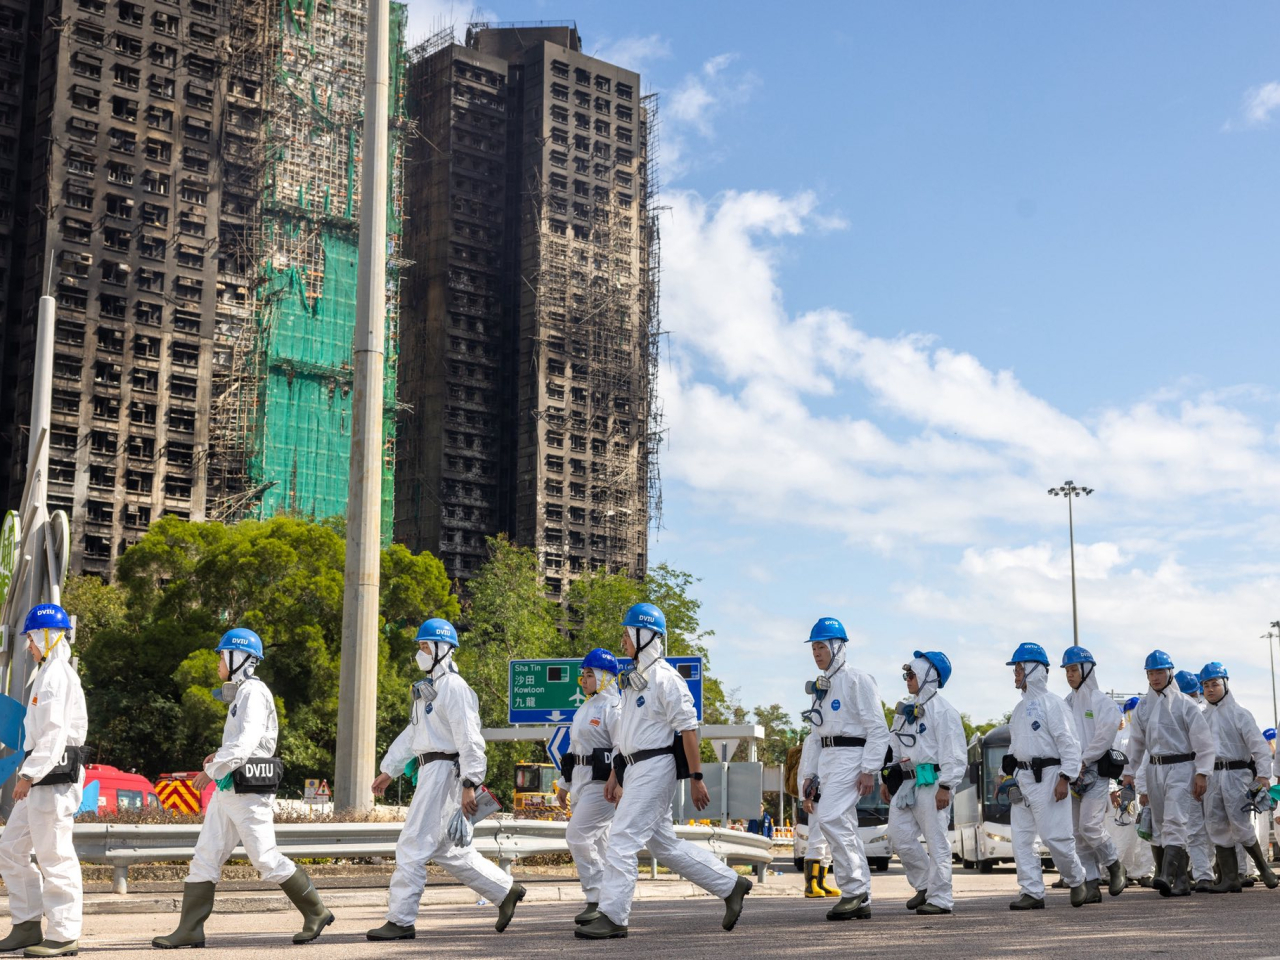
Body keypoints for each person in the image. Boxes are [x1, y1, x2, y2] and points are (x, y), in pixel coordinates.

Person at [577, 603, 751, 939]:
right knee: (664, 846)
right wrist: (616, 773)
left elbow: (688, 730)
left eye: (627, 633)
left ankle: (613, 916)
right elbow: (627, 735)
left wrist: (697, 778)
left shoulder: (666, 679)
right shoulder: (633, 680)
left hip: (656, 767)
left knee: (621, 839)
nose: (623, 640)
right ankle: (731, 885)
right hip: (634, 768)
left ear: (644, 634)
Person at [153, 628, 332, 948]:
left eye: (222, 655)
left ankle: (316, 911)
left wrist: (210, 770)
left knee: (265, 858)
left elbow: (247, 744)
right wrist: (219, 757)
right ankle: (190, 929)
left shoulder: (253, 692)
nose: (218, 662)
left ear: (238, 657)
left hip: (247, 791)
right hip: (230, 788)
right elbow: (240, 743)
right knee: (206, 855)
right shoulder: (242, 692)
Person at [367, 619, 525, 940]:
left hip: (444, 773)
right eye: (420, 646)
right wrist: (389, 769)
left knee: (412, 845)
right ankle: (505, 890)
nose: (420, 652)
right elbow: (413, 734)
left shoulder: (454, 687)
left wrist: (470, 783)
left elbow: (470, 738)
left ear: (442, 649)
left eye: (425, 646)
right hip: (432, 771)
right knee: (448, 849)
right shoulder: (428, 691)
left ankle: (400, 920)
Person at [0, 604, 87, 958]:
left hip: (52, 779)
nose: (29, 646)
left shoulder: (56, 676)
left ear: (46, 636)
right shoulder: (47, 672)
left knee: (55, 856)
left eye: (32, 639)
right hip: (42, 779)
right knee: (11, 848)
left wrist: (27, 775)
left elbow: (53, 734)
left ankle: (64, 934)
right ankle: (26, 924)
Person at [798, 617, 890, 921]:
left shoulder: (858, 680)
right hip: (828, 759)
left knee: (830, 817)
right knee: (844, 824)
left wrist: (869, 768)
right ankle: (861, 897)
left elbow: (878, 728)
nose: (816, 653)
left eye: (821, 646)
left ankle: (854, 891)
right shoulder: (821, 687)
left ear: (837, 647)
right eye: (813, 648)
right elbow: (815, 735)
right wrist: (809, 774)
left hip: (851, 756)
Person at [1120, 650, 1215, 898]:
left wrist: (1202, 772)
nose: (1154, 677)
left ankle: (1165, 874)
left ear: (1170, 672)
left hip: (1182, 767)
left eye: (1159, 672)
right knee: (1161, 824)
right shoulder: (1143, 707)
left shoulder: (1186, 704)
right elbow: (1136, 743)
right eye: (1150, 673)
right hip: (1154, 769)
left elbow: (1204, 742)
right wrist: (1129, 772)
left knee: (1175, 820)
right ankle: (1181, 882)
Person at [1003, 642, 1087, 910]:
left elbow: (1069, 743)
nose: (1015, 674)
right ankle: (1031, 891)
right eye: (1015, 669)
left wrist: (1066, 777)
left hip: (1050, 778)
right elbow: (1015, 745)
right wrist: (1006, 773)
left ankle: (1076, 878)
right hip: (1023, 779)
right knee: (1021, 840)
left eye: (1019, 669)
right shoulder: (1019, 710)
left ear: (1033, 670)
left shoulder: (1054, 705)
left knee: (1055, 838)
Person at [883, 650, 966, 915]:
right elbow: (894, 746)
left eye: (912, 674)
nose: (907, 679)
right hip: (907, 783)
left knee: (936, 841)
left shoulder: (944, 712)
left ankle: (941, 898)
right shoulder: (904, 711)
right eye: (906, 675)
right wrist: (887, 777)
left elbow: (955, 753)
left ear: (928, 676)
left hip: (933, 783)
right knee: (898, 836)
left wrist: (946, 786)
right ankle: (925, 885)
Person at [555, 648, 622, 926]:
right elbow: (573, 750)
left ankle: (595, 898)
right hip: (581, 782)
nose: (584, 680)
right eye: (583, 675)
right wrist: (564, 784)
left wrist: (617, 779)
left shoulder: (614, 707)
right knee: (600, 844)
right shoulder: (585, 708)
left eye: (590, 674)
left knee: (577, 835)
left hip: (602, 784)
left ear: (605, 676)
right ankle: (610, 903)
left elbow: (621, 746)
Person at [1197, 662, 1275, 892]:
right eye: (1205, 685)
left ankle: (1264, 869)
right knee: (1216, 824)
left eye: (1214, 684)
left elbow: (1259, 747)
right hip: (1212, 776)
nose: (1210, 689)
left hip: (1236, 775)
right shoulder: (1202, 717)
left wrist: (1263, 775)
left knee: (1241, 824)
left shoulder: (1240, 713)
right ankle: (1230, 878)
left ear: (1225, 684)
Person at [1061, 646, 1126, 903]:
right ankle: (1091, 885)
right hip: (1072, 775)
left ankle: (1115, 865)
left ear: (1087, 669)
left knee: (1090, 826)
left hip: (1096, 773)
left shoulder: (1103, 702)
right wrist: (1069, 766)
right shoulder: (1066, 703)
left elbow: (1104, 737)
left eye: (1074, 669)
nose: (1069, 675)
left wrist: (1083, 760)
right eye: (1067, 670)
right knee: (1077, 833)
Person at [1172, 669, 1216, 890]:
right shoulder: (1204, 712)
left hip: (1199, 775)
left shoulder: (1194, 713)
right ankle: (1205, 873)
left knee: (1203, 828)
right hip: (1198, 775)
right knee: (1201, 828)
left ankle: (1205, 872)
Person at [1106, 697, 1154, 886]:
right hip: (1124, 790)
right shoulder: (1118, 737)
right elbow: (1110, 766)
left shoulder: (1148, 736)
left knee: (1144, 834)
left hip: (1144, 790)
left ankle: (1142, 872)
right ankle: (1118, 871)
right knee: (1123, 833)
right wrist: (1112, 788)